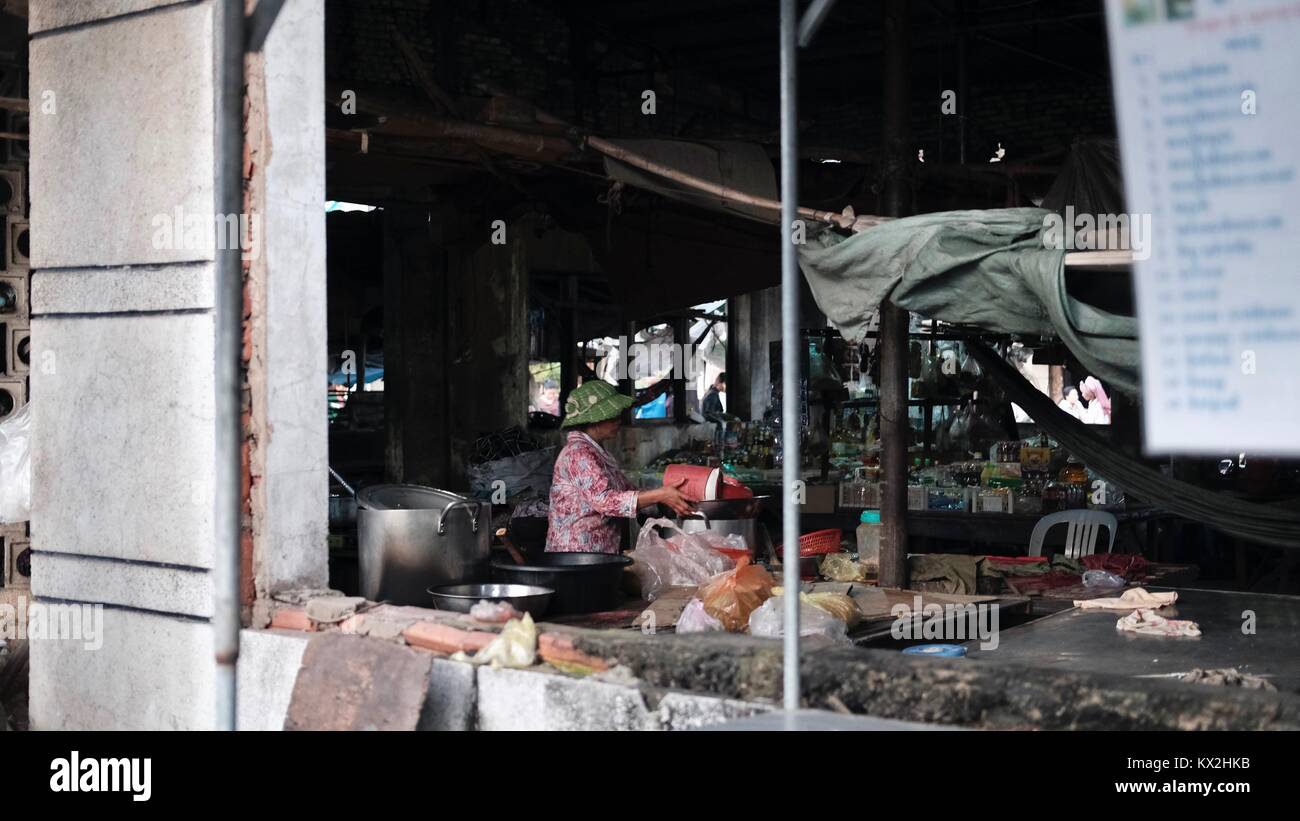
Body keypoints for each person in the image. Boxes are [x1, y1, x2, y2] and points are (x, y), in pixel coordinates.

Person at [546, 380, 695, 553]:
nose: (619, 420)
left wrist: (667, 499)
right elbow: (605, 501)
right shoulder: (578, 454)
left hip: (597, 554)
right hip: (575, 556)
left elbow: (628, 492)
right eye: (613, 415)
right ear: (594, 420)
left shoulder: (597, 453)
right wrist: (661, 494)